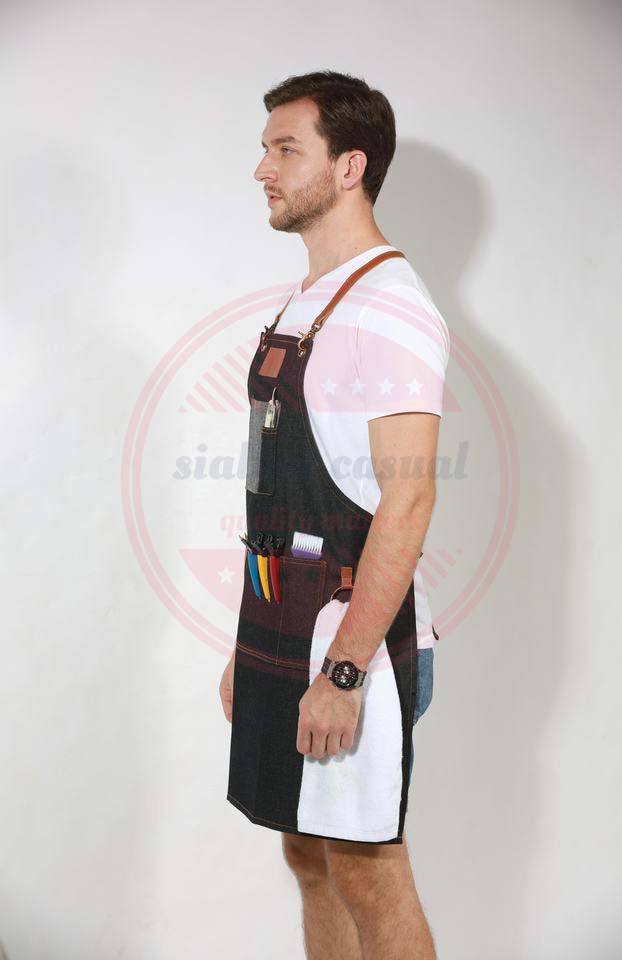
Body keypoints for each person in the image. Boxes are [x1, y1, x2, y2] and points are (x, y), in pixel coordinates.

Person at [219, 70, 449, 960]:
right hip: (284, 614)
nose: (263, 169)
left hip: (354, 640)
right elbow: (274, 494)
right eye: (265, 149)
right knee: (308, 857)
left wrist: (345, 673)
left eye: (287, 149)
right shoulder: (316, 294)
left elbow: (410, 499)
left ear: (350, 166)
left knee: (366, 870)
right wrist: (246, 636)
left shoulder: (391, 307)